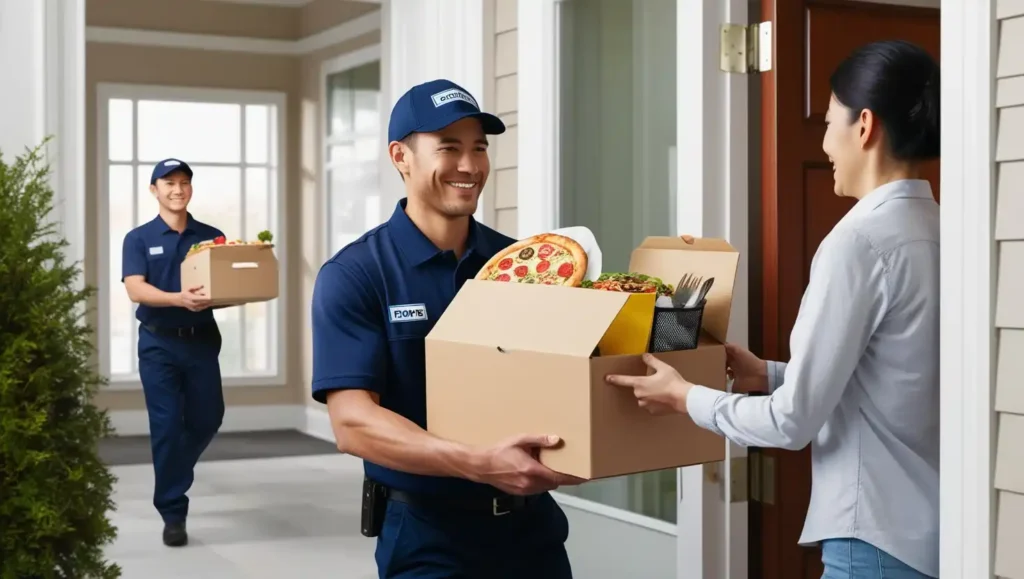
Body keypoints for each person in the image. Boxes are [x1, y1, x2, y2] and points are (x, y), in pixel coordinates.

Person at [607, 40, 940, 579]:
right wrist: (769, 373)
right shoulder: (943, 233)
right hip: (935, 540)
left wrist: (684, 396)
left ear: (864, 127)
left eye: (829, 123)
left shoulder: (856, 243)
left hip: (874, 544)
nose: (826, 143)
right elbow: (895, 380)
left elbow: (792, 424)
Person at [311, 79, 581, 579]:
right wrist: (477, 462)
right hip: (428, 536)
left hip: (534, 532)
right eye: (449, 147)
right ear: (401, 156)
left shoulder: (521, 262)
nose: (470, 165)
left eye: (479, 147)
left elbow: (558, 377)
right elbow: (352, 423)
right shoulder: (355, 275)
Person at [121, 158, 226, 548]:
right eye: (169, 183)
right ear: (154, 190)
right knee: (166, 427)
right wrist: (177, 299)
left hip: (201, 341)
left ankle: (172, 471)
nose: (177, 189)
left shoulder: (212, 236)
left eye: (184, 182)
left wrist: (233, 292)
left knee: (209, 417)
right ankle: (172, 511)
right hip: (158, 342)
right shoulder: (137, 238)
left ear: (191, 189)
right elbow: (135, 289)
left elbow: (223, 285)